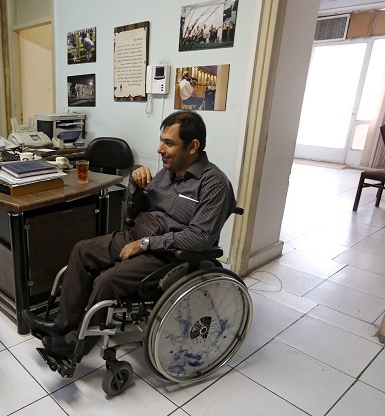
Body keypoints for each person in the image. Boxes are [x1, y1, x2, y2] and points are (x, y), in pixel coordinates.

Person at [23, 110, 237, 359]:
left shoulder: (214, 184)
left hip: (168, 254)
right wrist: (134, 187)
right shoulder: (165, 173)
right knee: (83, 249)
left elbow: (200, 237)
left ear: (193, 146)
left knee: (107, 280)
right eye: (161, 141)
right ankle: (62, 324)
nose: (160, 149)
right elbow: (131, 216)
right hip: (139, 235)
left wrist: (146, 244)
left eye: (169, 143)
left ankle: (74, 346)